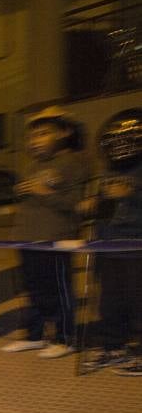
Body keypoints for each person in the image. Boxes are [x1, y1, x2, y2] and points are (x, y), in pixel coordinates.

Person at [1, 106, 92, 359]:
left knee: (58, 290)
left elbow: (77, 205)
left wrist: (45, 193)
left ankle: (65, 338)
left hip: (55, 239)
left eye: (43, 134)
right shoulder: (32, 165)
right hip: (27, 238)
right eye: (33, 136)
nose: (36, 141)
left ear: (64, 132)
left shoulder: (74, 162)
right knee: (31, 290)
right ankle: (34, 336)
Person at [82, 108, 142, 375]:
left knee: (137, 301)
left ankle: (138, 351)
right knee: (109, 301)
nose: (120, 146)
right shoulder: (108, 171)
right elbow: (105, 209)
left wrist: (132, 193)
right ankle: (112, 346)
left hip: (136, 247)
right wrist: (94, 205)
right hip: (109, 247)